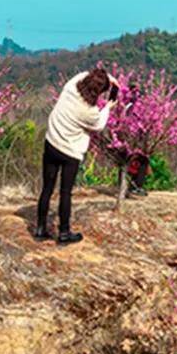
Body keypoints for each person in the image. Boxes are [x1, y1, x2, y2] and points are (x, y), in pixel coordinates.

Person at [35, 68, 118, 244]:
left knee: (47, 188)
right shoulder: (90, 112)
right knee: (66, 192)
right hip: (70, 152)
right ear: (100, 92)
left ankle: (40, 228)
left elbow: (85, 73)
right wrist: (109, 107)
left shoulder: (71, 86)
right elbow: (100, 124)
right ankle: (64, 233)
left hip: (52, 143)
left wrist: (108, 78)